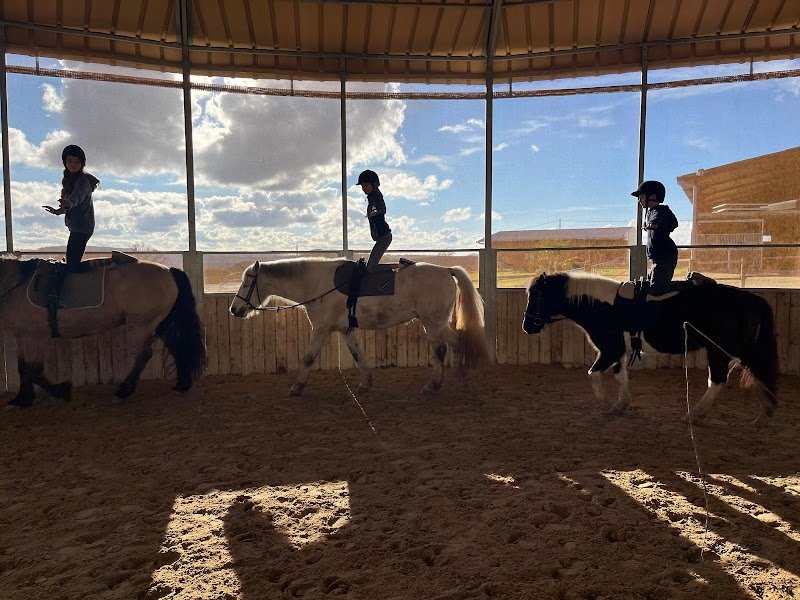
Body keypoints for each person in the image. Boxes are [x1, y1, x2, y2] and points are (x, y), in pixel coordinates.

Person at [42, 144, 100, 335]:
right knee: (72, 263)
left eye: (76, 161)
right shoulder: (70, 180)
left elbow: (77, 198)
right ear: (65, 163)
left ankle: (102, 265)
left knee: (73, 265)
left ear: (82, 163)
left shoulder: (82, 181)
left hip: (82, 228)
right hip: (77, 227)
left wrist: (68, 203)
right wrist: (59, 210)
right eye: (69, 161)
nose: (72, 164)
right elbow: (71, 203)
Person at [631, 179, 678, 295]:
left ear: (652, 196)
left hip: (665, 257)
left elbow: (672, 222)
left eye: (641, 197)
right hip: (658, 258)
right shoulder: (650, 212)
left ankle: (692, 284)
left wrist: (655, 224)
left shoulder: (661, 211)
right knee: (651, 285)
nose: (639, 201)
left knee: (657, 289)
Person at [357, 169, 394, 273]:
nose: (363, 188)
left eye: (366, 185)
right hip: (382, 237)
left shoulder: (376, 197)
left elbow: (381, 208)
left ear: (373, 185)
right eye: (362, 186)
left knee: (370, 268)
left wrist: (375, 211)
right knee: (371, 266)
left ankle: (398, 266)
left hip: (384, 237)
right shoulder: (372, 197)